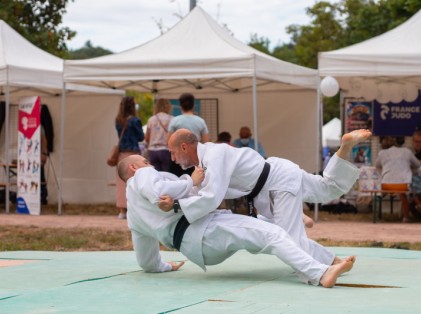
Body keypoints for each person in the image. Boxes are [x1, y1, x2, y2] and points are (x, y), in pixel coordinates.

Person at [117, 155, 355, 288]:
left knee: (270, 232)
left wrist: (165, 266)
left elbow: (146, 260)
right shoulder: (143, 176)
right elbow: (156, 190)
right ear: (134, 167)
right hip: (204, 230)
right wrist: (190, 180)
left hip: (197, 247)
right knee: (272, 235)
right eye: (145, 162)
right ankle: (321, 273)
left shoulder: (134, 216)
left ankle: (326, 258)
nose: (150, 164)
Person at [163, 128, 372, 266]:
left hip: (276, 183)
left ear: (184, 147)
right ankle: (333, 261)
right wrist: (182, 192)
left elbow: (210, 198)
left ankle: (322, 272)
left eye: (173, 153)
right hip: (276, 175)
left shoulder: (213, 155)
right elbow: (202, 192)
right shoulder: (205, 161)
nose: (172, 159)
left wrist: (177, 205)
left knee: (288, 239)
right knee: (328, 188)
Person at [375, 136, 420, 223]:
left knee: (383, 193)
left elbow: (377, 166)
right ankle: (406, 217)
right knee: (404, 193)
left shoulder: (382, 153)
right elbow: (417, 166)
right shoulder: (407, 151)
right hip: (404, 185)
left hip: (386, 185)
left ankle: (378, 214)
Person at [114, 96, 144, 219]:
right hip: (133, 155)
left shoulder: (118, 120)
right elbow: (141, 137)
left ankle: (122, 211)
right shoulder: (135, 121)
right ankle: (135, 209)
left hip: (121, 154)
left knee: (121, 182)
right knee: (135, 182)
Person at [167, 93, 209, 177]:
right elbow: (206, 141)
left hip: (178, 159)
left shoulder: (175, 121)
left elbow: (169, 141)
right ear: (193, 106)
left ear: (180, 106)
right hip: (195, 158)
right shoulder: (200, 121)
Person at [144, 98, 173, 171]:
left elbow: (147, 138)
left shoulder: (151, 119)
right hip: (165, 150)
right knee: (166, 175)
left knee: (155, 175)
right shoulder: (171, 119)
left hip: (153, 151)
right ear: (168, 106)